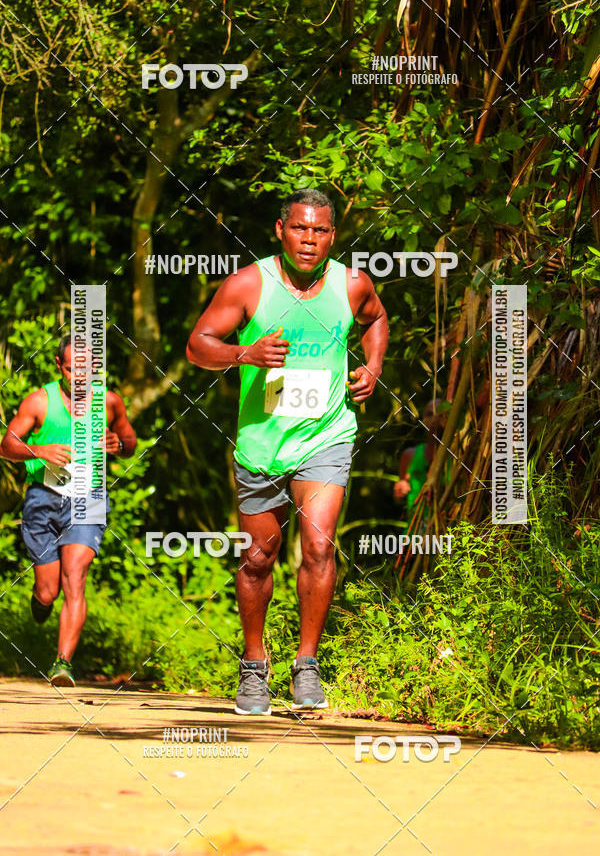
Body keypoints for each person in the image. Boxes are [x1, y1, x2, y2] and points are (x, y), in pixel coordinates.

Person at [186, 188, 388, 715]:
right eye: (300, 228)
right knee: (258, 558)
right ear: (281, 229)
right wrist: (243, 353)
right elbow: (197, 345)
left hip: (327, 435)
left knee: (319, 546)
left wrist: (372, 366)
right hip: (262, 443)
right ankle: (254, 666)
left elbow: (377, 319)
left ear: (332, 236)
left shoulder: (351, 284)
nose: (309, 239)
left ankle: (307, 665)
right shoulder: (251, 283)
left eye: (319, 231)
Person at [0, 335, 136, 687]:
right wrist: (39, 451)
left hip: (88, 496)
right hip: (43, 499)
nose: (81, 377)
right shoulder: (39, 402)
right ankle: (41, 600)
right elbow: (7, 445)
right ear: (59, 367)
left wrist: (118, 445)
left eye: (88, 369)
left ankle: (62, 664)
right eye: (73, 368)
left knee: (75, 577)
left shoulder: (108, 402)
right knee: (49, 590)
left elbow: (130, 441)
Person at [394, 399, 445, 525]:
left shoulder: (457, 456)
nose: (434, 419)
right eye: (429, 414)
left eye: (439, 414)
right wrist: (400, 490)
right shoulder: (410, 455)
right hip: (415, 531)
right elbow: (399, 499)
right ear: (423, 421)